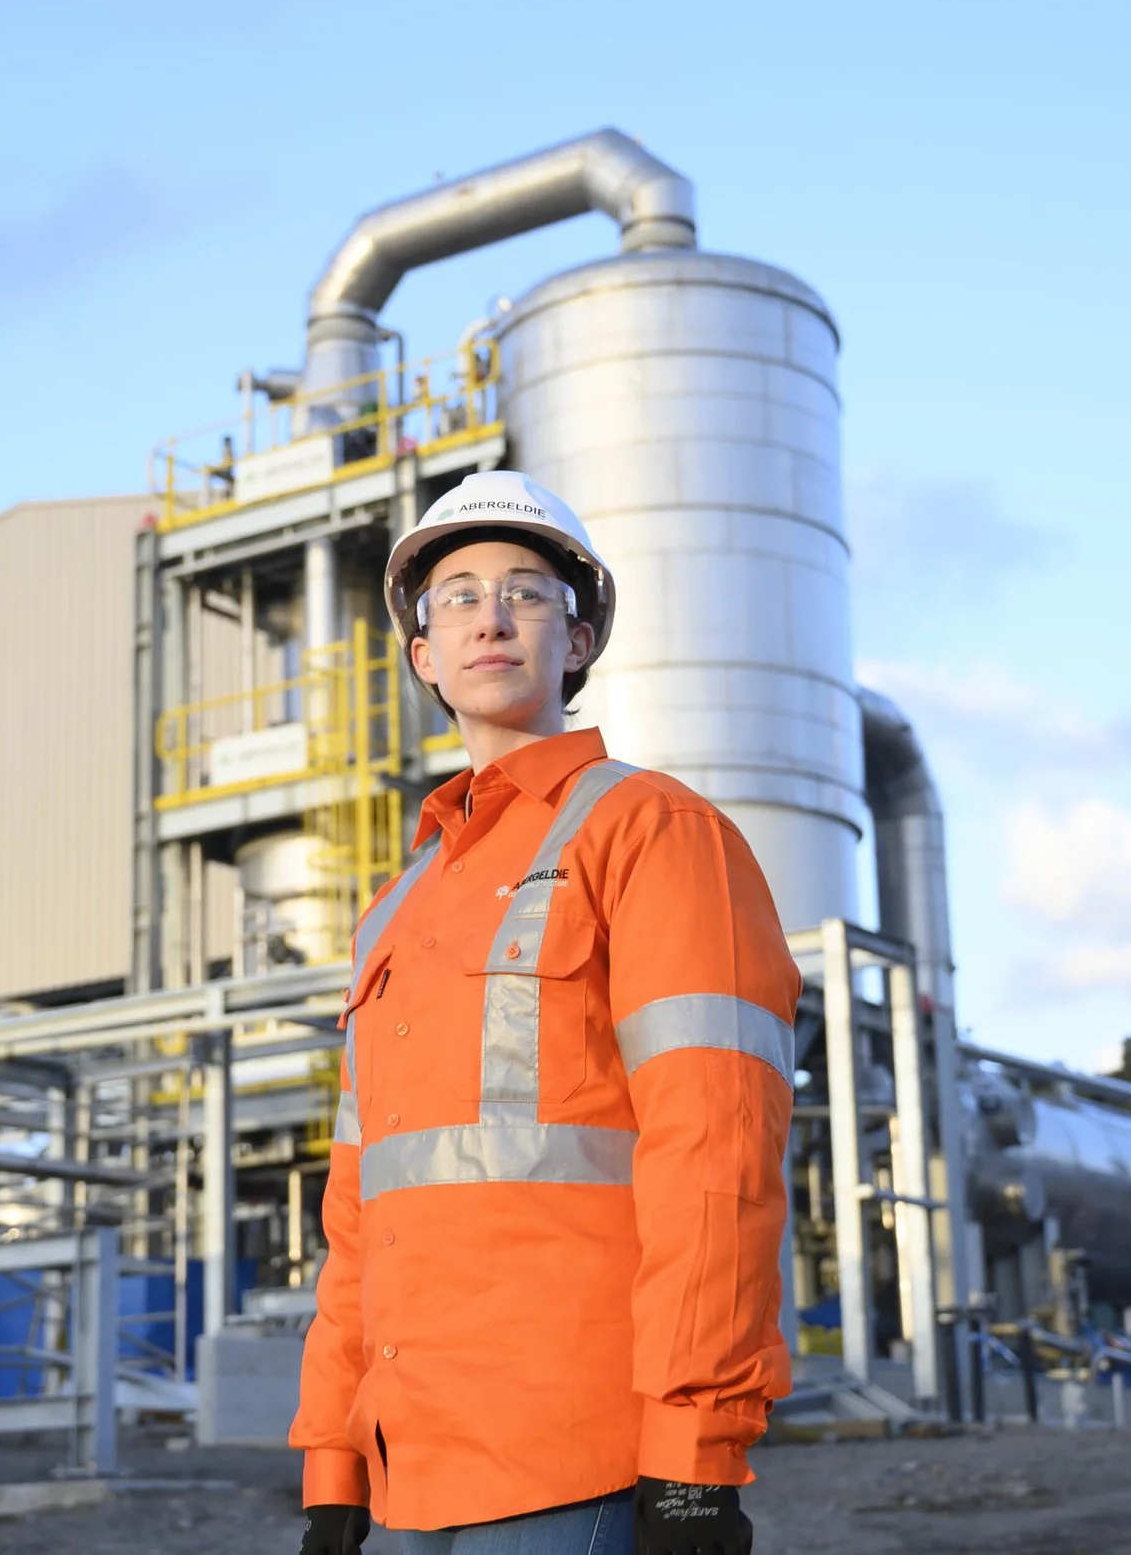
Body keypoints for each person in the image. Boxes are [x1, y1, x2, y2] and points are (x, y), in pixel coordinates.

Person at [290, 471, 798, 1555]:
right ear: (424, 656)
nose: (490, 617)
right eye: (459, 597)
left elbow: (716, 1154)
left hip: (578, 1454)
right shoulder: (394, 912)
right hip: (409, 1463)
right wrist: (333, 1459)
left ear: (576, 641)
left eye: (525, 593)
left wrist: (694, 1451)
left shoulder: (652, 831)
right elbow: (359, 1212)